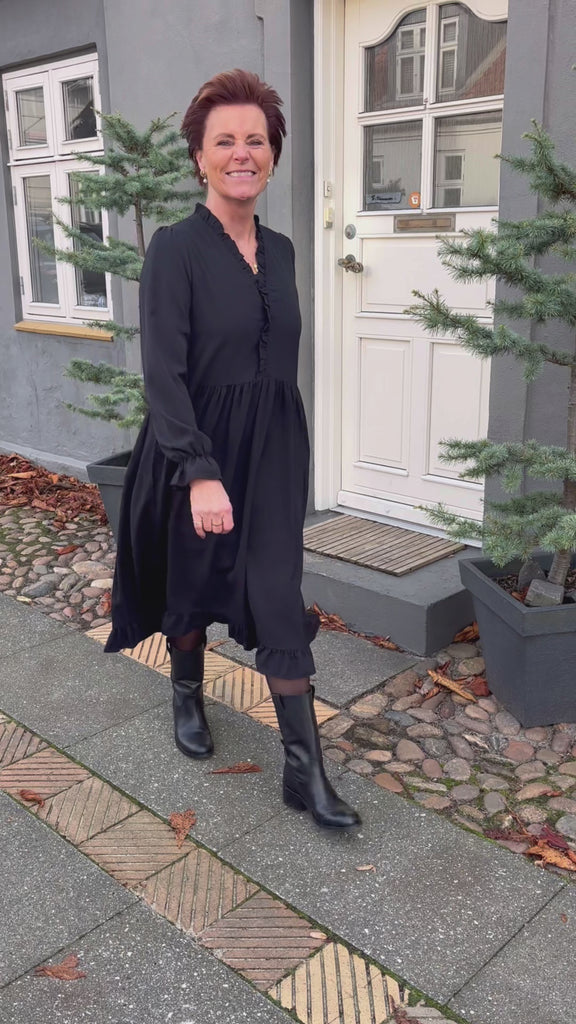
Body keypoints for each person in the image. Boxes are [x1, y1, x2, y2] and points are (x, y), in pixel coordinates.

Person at [105, 69, 360, 831]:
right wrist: (199, 473)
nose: (241, 153)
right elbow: (164, 371)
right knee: (193, 584)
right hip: (195, 449)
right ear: (200, 158)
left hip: (273, 451)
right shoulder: (175, 249)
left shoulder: (281, 250)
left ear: (273, 156)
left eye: (256, 140)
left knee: (278, 595)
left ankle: (304, 772)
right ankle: (186, 692)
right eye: (225, 141)